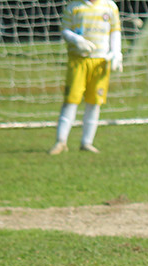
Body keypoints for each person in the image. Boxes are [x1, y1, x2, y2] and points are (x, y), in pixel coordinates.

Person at [48, 0, 123, 155]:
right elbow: (65, 30)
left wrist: (116, 52)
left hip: (101, 62)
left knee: (94, 102)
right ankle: (61, 141)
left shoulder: (110, 6)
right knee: (71, 100)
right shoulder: (74, 7)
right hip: (78, 60)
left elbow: (115, 31)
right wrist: (77, 39)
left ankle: (87, 142)